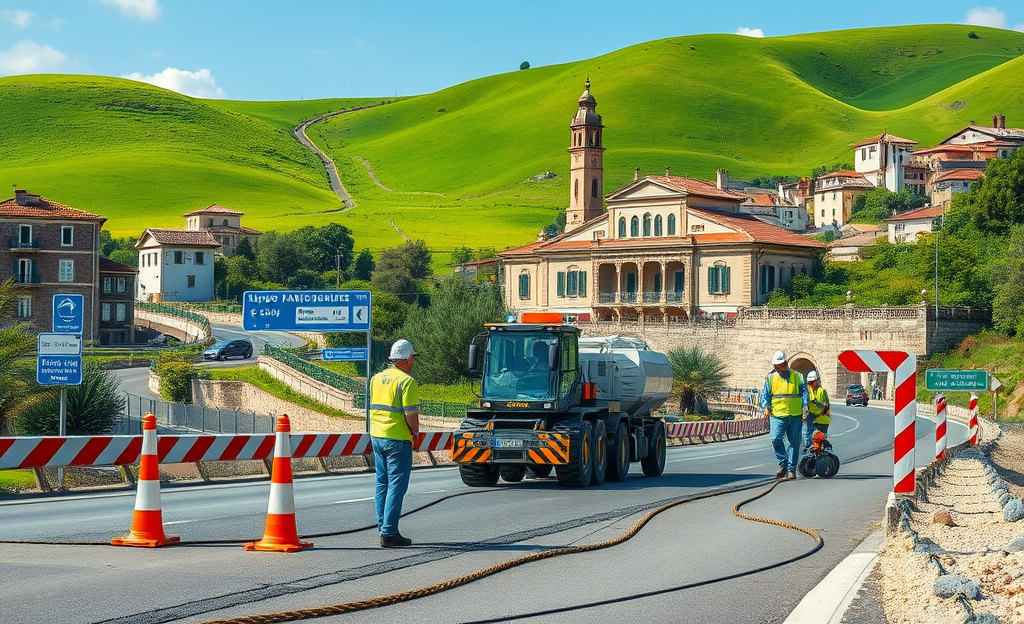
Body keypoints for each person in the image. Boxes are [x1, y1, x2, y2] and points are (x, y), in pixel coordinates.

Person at [369, 339, 420, 548]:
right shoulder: (407, 382)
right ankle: (389, 533)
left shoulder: (375, 379)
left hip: (377, 436)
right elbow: (411, 414)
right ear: (408, 359)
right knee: (397, 485)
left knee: (382, 483)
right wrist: (415, 433)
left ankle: (384, 527)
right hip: (397, 439)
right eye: (412, 359)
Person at [759, 351, 808, 480]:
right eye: (777, 365)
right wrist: (766, 407)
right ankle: (784, 463)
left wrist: (805, 405)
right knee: (775, 439)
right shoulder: (771, 378)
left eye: (781, 364)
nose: (780, 367)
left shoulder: (797, 376)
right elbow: (765, 394)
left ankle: (791, 470)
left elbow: (804, 392)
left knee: (794, 443)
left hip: (795, 414)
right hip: (777, 414)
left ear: (786, 363)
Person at [803, 370, 830, 449]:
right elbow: (804, 405)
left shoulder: (822, 391)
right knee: (810, 441)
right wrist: (804, 417)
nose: (810, 384)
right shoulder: (807, 391)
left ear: (816, 381)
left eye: (812, 382)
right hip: (812, 419)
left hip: (821, 420)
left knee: (821, 440)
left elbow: (827, 406)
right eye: (809, 382)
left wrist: (823, 414)